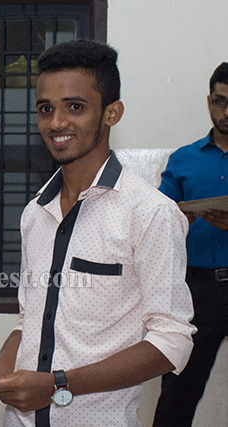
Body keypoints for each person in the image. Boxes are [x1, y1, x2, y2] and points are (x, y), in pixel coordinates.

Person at [0, 39, 196, 427]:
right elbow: (31, 322)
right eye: (46, 108)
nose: (56, 123)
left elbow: (171, 341)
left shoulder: (151, 213)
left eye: (75, 107)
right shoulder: (35, 213)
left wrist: (57, 384)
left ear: (112, 113)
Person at [152, 62, 228, 427]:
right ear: (209, 101)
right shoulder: (183, 159)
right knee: (177, 397)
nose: (227, 111)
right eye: (220, 101)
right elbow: (156, 220)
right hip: (197, 290)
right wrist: (181, 218)